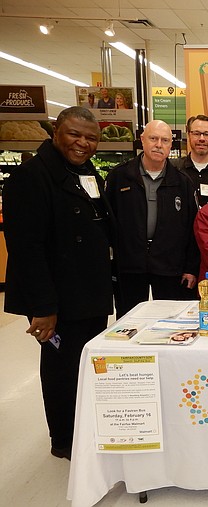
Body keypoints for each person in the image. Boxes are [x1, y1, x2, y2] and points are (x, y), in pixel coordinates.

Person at [3, 106, 114, 460]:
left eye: (91, 138)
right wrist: (44, 309)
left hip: (88, 294)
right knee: (61, 369)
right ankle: (64, 440)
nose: (83, 143)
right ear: (56, 132)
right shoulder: (30, 177)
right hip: (58, 300)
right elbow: (27, 250)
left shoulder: (85, 172)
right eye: (75, 135)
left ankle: (85, 426)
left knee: (85, 363)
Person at [105, 119, 200, 317]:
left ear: (170, 145)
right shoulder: (119, 177)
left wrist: (191, 268)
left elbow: (192, 228)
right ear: (142, 140)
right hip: (129, 266)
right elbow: (108, 223)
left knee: (169, 321)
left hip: (169, 267)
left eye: (164, 140)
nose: (158, 144)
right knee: (128, 321)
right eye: (153, 138)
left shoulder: (182, 182)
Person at [173, 115, 208, 208]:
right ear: (189, 135)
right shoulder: (174, 169)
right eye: (196, 133)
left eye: (207, 134)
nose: (201, 138)